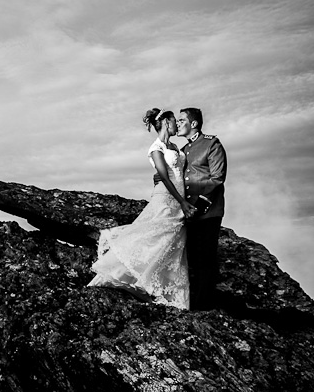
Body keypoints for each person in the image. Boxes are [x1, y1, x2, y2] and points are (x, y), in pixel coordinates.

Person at [88, 108, 195, 308]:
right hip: (166, 198)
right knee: (154, 236)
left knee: (171, 244)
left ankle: (165, 290)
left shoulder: (174, 146)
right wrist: (181, 201)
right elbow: (164, 175)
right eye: (174, 121)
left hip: (178, 197)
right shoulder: (156, 148)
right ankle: (127, 275)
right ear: (165, 122)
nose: (176, 125)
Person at [174, 108, 227, 310]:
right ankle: (194, 301)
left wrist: (200, 205)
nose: (178, 124)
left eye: (181, 120)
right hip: (189, 212)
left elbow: (217, 178)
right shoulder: (185, 149)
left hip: (208, 211)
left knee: (206, 258)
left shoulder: (211, 143)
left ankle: (204, 306)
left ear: (193, 124)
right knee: (192, 258)